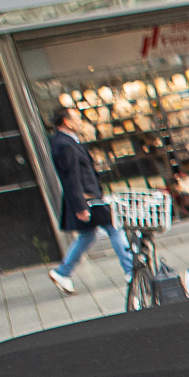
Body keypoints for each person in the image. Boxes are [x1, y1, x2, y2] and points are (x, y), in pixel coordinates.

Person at [45, 105, 132, 295]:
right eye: (77, 118)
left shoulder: (67, 142)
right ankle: (131, 270)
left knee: (88, 235)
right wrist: (80, 205)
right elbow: (71, 177)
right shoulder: (65, 145)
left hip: (88, 197)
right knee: (114, 228)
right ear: (67, 122)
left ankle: (63, 272)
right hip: (87, 198)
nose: (80, 122)